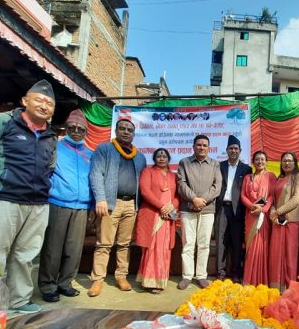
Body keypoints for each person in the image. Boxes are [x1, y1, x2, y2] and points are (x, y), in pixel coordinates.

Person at [0, 80, 57, 313]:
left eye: (49, 103)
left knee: (26, 256)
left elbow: (50, 168)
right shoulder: (0, 122)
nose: (44, 106)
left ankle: (19, 300)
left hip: (37, 205)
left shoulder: (51, 137)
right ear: (25, 101)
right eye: (39, 100)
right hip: (2, 202)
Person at [87, 118, 147, 297]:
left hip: (131, 205)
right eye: (123, 128)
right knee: (104, 244)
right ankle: (97, 279)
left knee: (124, 244)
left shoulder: (139, 156)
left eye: (130, 129)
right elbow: (96, 174)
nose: (126, 132)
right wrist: (100, 199)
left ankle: (121, 276)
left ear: (134, 134)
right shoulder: (104, 149)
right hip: (109, 204)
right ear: (116, 130)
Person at [38, 109, 92, 302]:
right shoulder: (56, 148)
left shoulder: (90, 154)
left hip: (82, 207)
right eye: (72, 128)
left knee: (74, 249)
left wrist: (92, 205)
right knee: (53, 248)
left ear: (86, 132)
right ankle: (48, 286)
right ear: (66, 129)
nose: (76, 131)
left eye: (81, 129)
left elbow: (93, 181)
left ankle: (65, 283)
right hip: (58, 203)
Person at [177, 135, 222, 289]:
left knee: (203, 244)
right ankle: (187, 276)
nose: (201, 147)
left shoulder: (215, 164)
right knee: (188, 244)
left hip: (207, 209)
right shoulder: (184, 162)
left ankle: (201, 275)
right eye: (198, 145)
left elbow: (217, 186)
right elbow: (181, 184)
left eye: (204, 145)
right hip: (188, 209)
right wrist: (193, 199)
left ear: (209, 148)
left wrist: (201, 201)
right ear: (193, 146)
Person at [135, 148, 179, 293]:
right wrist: (162, 207)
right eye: (158, 156)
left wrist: (172, 206)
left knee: (164, 248)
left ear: (168, 159)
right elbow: (145, 191)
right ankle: (148, 281)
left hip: (167, 218)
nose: (161, 158)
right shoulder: (148, 172)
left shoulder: (174, 176)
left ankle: (160, 280)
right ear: (154, 159)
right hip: (153, 214)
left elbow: (178, 195)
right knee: (152, 247)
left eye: (164, 156)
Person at [214, 135, 252, 282]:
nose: (233, 151)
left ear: (240, 150)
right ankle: (220, 273)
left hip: (238, 210)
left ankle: (236, 273)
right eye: (231, 148)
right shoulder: (219, 166)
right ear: (227, 150)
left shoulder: (246, 169)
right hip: (221, 208)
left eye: (236, 148)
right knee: (221, 241)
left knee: (237, 242)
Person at [269, 151, 299, 291]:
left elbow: (297, 199)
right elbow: (274, 199)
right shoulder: (280, 178)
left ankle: (289, 289)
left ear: (295, 162)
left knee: (290, 257)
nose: (286, 163)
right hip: (277, 222)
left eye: (290, 160)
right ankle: (275, 289)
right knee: (276, 256)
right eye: (284, 160)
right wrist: (273, 211)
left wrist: (278, 212)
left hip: (292, 222)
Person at [241, 151, 276, 286]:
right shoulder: (247, 177)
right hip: (250, 215)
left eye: (262, 159)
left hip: (263, 217)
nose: (260, 161)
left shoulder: (271, 176)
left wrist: (263, 209)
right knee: (250, 247)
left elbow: (272, 196)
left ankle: (261, 280)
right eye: (257, 159)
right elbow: (243, 195)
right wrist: (252, 206)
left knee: (262, 247)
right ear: (253, 162)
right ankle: (249, 280)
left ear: (266, 161)